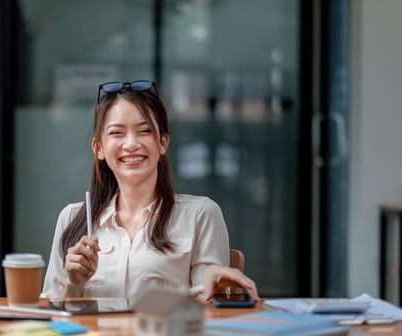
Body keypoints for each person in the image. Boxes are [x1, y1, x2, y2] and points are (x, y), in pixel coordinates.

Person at [42, 80, 259, 302]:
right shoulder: (72, 219)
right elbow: (51, 316)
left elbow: (209, 311)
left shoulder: (201, 214)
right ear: (99, 148)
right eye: (117, 133)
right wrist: (74, 284)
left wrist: (213, 285)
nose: (131, 143)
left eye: (144, 131)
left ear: (163, 142)